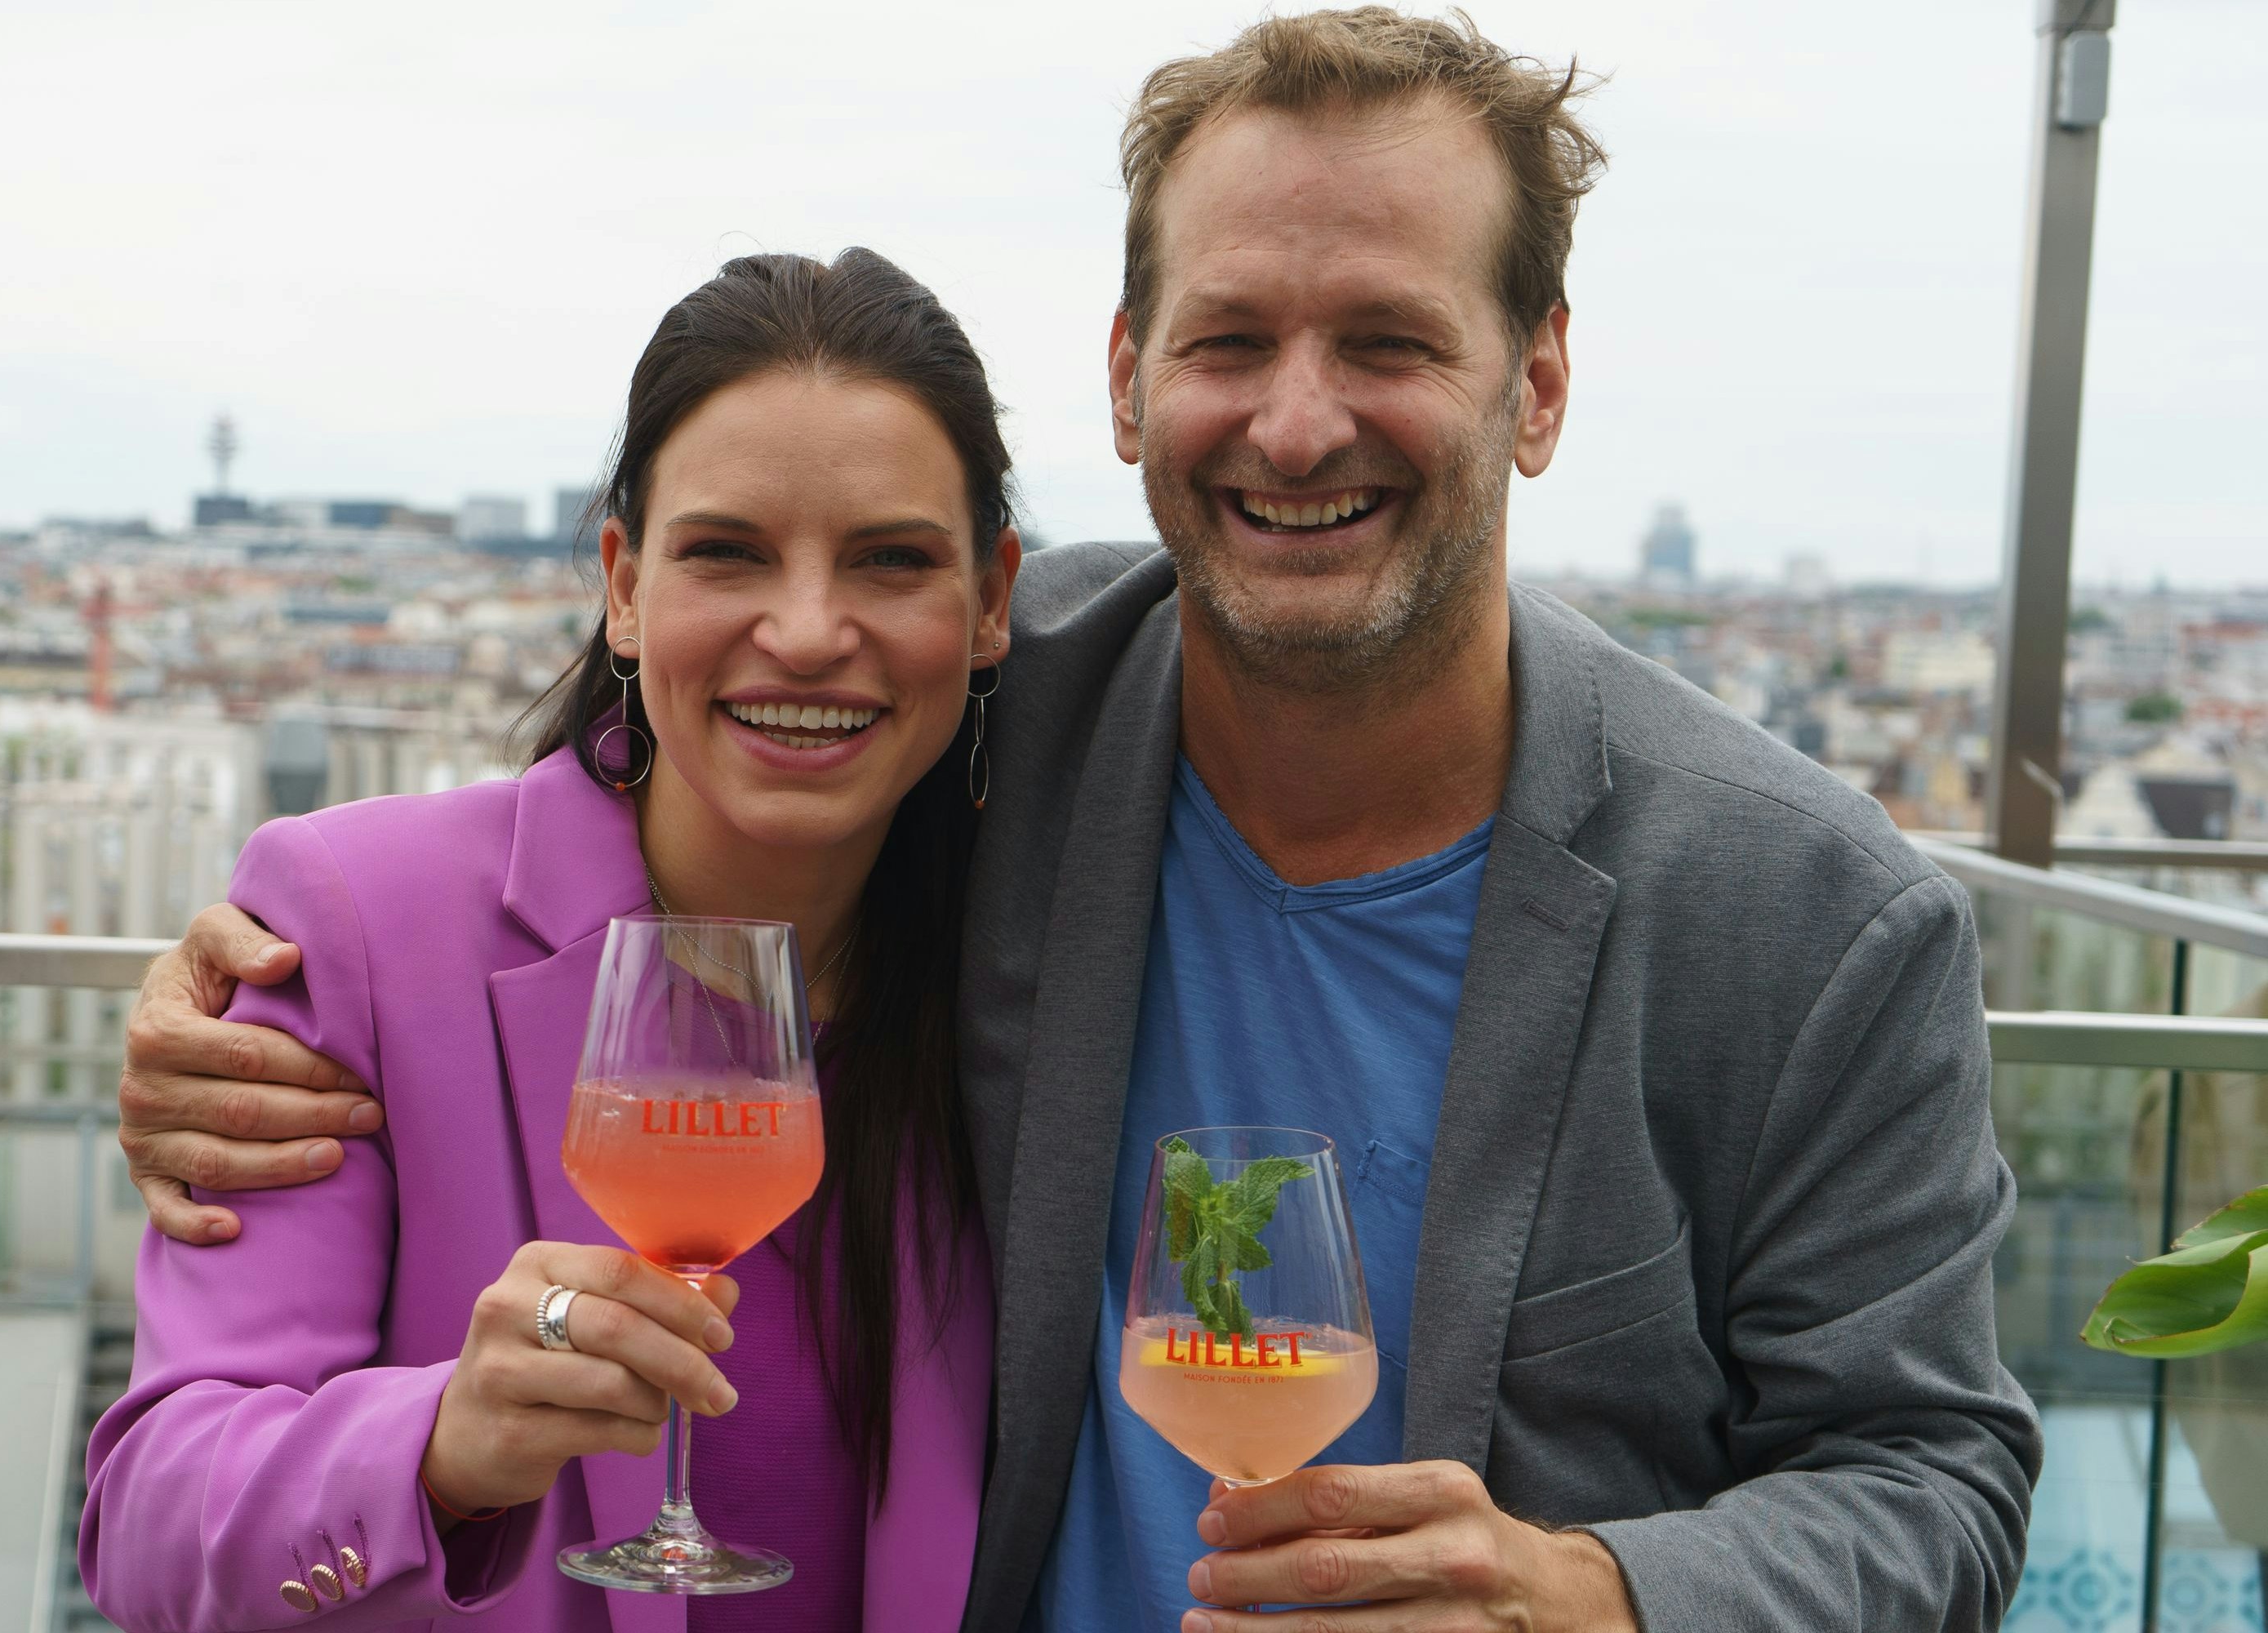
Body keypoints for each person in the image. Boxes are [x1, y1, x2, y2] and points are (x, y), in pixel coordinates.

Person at [115, 11, 2042, 1631]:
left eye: (1384, 341)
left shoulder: (1803, 917)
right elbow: (717, 729)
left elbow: (1935, 1476)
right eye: (1225, 343)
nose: (1293, 425)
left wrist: (1592, 1590)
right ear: (1127, 383)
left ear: (1534, 379)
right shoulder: (970, 706)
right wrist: (235, 990)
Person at [77, 247, 1021, 1631]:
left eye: (892, 560)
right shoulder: (358, 924)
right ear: (623, 586)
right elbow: (148, 1531)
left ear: (992, 601)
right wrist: (441, 1449)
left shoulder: (1044, 942)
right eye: (727, 553)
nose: (811, 632)